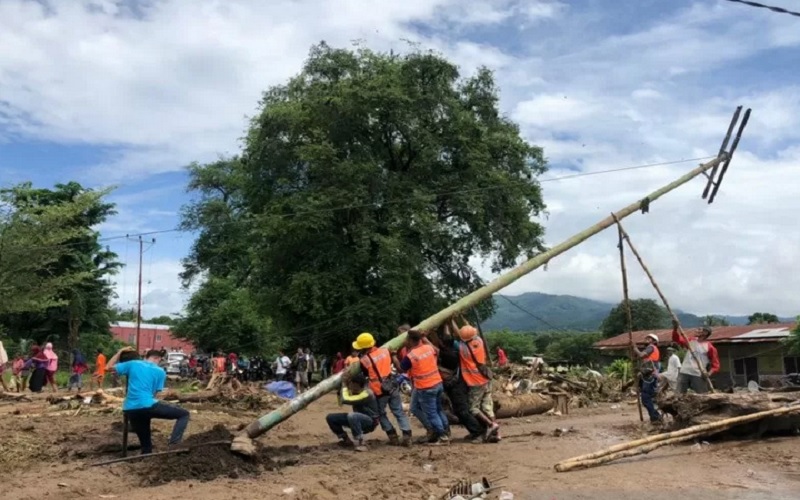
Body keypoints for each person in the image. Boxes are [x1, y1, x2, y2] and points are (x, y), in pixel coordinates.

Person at [108, 347, 190, 455]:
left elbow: (108, 367)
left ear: (145, 357)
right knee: (184, 414)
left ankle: (145, 454)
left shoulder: (133, 364)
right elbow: (154, 394)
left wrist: (119, 351)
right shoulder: (160, 371)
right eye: (159, 360)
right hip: (148, 405)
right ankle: (174, 444)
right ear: (157, 358)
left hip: (130, 409)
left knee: (146, 447)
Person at [353, 332, 413, 446]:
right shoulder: (385, 351)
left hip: (379, 390)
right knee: (398, 411)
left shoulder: (364, 360)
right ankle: (407, 436)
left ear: (362, 347)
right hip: (392, 385)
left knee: (380, 414)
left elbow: (365, 373)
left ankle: (392, 436)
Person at [399, 329, 449, 445]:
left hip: (426, 387)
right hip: (437, 383)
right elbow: (437, 351)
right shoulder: (428, 348)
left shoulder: (411, 355)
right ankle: (442, 431)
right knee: (435, 409)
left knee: (432, 413)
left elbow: (402, 368)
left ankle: (442, 436)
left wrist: (394, 357)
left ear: (410, 340)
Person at [439, 319, 486, 441]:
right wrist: (453, 320)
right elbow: (461, 334)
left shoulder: (461, 350)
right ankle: (480, 430)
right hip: (474, 380)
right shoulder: (478, 341)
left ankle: (479, 432)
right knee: (466, 409)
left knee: (464, 410)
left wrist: (449, 322)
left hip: (469, 381)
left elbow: (455, 337)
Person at [458, 324, 500, 442]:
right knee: (487, 407)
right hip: (485, 378)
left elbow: (459, 335)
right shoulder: (479, 341)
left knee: (473, 408)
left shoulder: (463, 348)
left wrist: (451, 322)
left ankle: (491, 425)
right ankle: (496, 434)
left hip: (475, 381)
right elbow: (465, 333)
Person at [325, 373, 379, 452]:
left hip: (370, 421)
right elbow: (341, 403)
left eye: (354, 385)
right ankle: (346, 440)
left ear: (360, 385)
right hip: (356, 419)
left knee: (352, 416)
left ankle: (361, 443)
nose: (352, 387)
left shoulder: (368, 393)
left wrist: (344, 385)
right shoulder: (353, 392)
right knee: (331, 417)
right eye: (351, 384)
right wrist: (341, 390)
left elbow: (346, 400)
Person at [672, 322, 719, 394]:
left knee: (703, 395)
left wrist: (708, 373)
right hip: (684, 371)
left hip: (698, 373)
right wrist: (675, 329)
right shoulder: (691, 340)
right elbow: (677, 339)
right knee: (678, 395)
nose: (697, 330)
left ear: (705, 333)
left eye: (700, 330)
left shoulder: (710, 347)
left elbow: (716, 365)